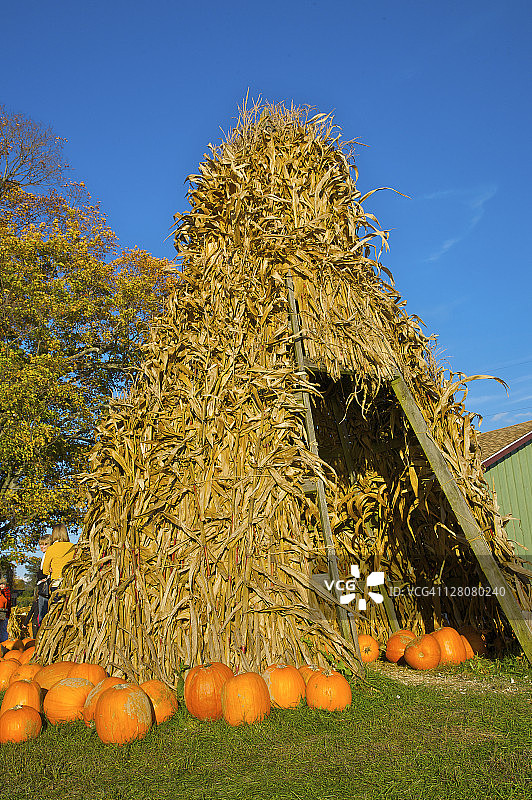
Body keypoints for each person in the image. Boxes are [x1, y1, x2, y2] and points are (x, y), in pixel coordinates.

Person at [41, 523, 75, 598]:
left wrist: (50, 571)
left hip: (56, 582)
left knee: (56, 603)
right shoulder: (73, 547)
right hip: (70, 583)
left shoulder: (51, 549)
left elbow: (45, 570)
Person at [35, 533, 52, 629]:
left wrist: (43, 576)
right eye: (41, 544)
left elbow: (44, 572)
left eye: (45, 544)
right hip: (42, 587)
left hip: (45, 589)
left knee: (43, 614)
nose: (42, 546)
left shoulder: (49, 555)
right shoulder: (44, 556)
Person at [0, 579, 10, 643]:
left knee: (3, 629)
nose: (1, 586)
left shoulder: (6, 592)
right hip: (3, 613)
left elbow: (6, 601)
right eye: (0, 584)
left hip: (4, 613)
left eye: (3, 584)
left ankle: (4, 643)